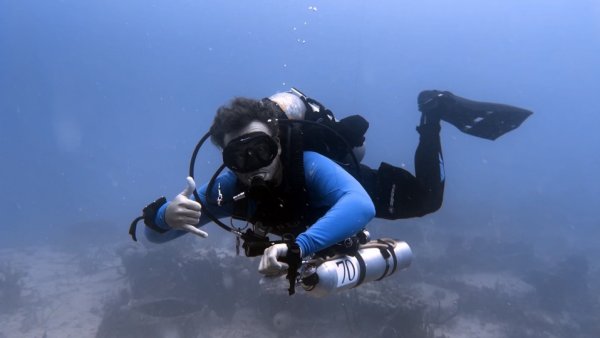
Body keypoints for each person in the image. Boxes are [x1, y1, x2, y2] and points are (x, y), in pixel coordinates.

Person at [134, 88, 532, 282]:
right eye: (239, 157)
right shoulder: (226, 188)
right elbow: (157, 239)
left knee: (428, 200)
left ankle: (433, 113)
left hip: (350, 188)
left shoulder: (308, 164)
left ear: (278, 144)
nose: (253, 167)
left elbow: (360, 207)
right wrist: (164, 216)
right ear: (226, 160)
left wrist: (297, 248)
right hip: (314, 225)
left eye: (261, 150)